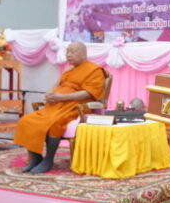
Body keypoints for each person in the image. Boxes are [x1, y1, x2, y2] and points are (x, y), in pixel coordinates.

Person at [13, 42, 105, 174]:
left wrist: (62, 97)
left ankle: (48, 160)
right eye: (67, 52)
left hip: (75, 106)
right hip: (54, 106)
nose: (68, 55)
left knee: (55, 124)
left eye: (72, 52)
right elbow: (57, 86)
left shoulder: (95, 70)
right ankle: (36, 158)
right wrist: (50, 95)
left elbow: (88, 93)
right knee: (26, 120)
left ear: (83, 54)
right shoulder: (68, 70)